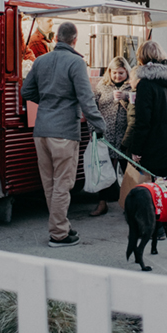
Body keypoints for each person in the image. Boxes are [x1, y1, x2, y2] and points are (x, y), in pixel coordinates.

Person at [22, 22, 106, 247]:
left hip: (41, 131)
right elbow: (86, 99)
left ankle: (61, 226)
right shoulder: (76, 62)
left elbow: (26, 91)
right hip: (64, 132)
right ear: (75, 40)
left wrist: (48, 103)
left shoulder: (40, 60)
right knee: (63, 183)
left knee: (50, 183)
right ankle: (59, 234)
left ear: (56, 38)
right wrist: (100, 126)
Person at [122, 40, 167, 178]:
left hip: (151, 145)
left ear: (142, 57)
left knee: (150, 188)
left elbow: (143, 120)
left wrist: (136, 149)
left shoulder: (145, 84)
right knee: (164, 184)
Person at [89, 56, 132, 216]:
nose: (117, 76)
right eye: (114, 73)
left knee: (128, 172)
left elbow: (140, 107)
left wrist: (126, 97)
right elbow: (91, 108)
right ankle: (102, 203)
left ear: (127, 72)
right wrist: (93, 129)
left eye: (121, 73)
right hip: (105, 136)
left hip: (125, 136)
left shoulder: (132, 87)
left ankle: (130, 204)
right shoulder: (101, 86)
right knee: (104, 169)